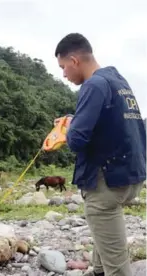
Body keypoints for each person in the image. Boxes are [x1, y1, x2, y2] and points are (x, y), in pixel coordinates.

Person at [54, 33, 146, 276]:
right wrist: (75, 121)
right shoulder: (118, 81)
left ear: (74, 60)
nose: (64, 74)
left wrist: (68, 128)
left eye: (63, 67)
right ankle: (96, 270)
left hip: (107, 180)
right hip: (131, 176)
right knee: (104, 231)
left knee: (118, 269)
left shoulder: (93, 85)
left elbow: (77, 140)